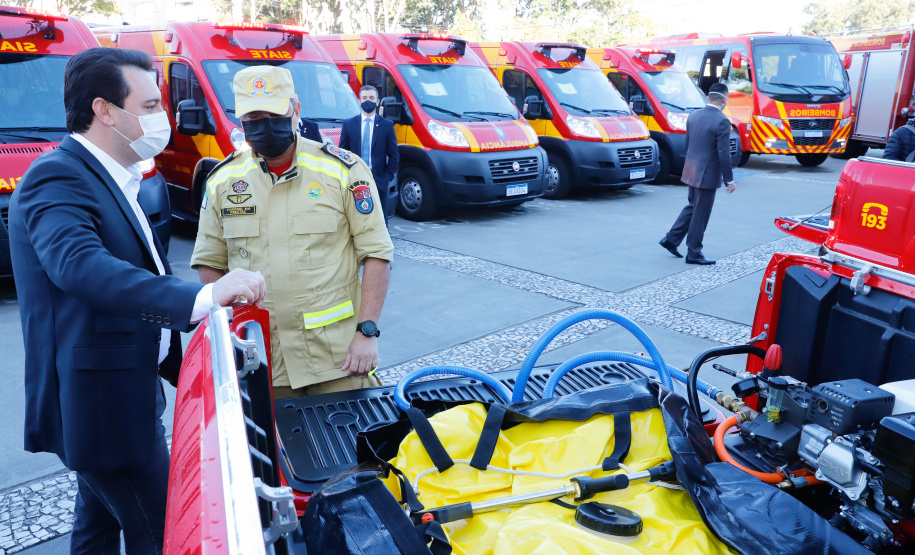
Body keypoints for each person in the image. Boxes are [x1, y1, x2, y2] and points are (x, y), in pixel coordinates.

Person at [8, 47, 266, 555]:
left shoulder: (113, 176)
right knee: (162, 532)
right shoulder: (56, 177)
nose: (161, 119)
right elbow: (81, 268)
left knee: (96, 529)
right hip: (101, 408)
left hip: (123, 393)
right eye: (149, 106)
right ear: (104, 110)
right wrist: (205, 294)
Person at [192, 66, 394, 400]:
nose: (264, 123)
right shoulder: (222, 181)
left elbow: (377, 254)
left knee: (354, 449)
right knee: (275, 452)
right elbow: (210, 264)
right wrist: (225, 337)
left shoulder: (343, 171)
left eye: (273, 112)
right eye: (253, 116)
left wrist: (367, 332)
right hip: (261, 358)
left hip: (339, 359)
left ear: (295, 108)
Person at [659, 82, 736, 265]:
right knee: (700, 213)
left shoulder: (694, 115)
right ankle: (694, 252)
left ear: (708, 97)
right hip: (707, 173)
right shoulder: (722, 121)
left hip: (692, 169)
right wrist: (729, 180)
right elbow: (724, 153)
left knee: (693, 207)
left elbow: (689, 143)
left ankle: (671, 239)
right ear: (724, 100)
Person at [339, 85, 400, 220]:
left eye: (372, 98)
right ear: (359, 101)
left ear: (378, 102)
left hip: (378, 180)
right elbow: (343, 153)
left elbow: (394, 154)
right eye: (364, 98)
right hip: (355, 179)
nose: (368, 101)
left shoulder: (387, 125)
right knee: (357, 217)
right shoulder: (349, 124)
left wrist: (388, 177)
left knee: (380, 219)